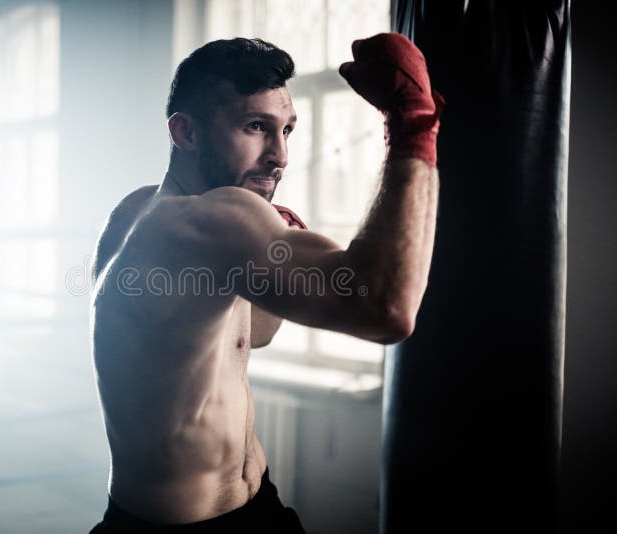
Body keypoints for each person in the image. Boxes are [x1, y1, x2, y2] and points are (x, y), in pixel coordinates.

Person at [89, 34, 442, 533]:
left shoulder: (136, 212)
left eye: (287, 130)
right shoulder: (209, 222)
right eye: (255, 126)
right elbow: (387, 308)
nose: (279, 154)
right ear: (185, 132)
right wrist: (413, 126)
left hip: (249, 508)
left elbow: (250, 333)